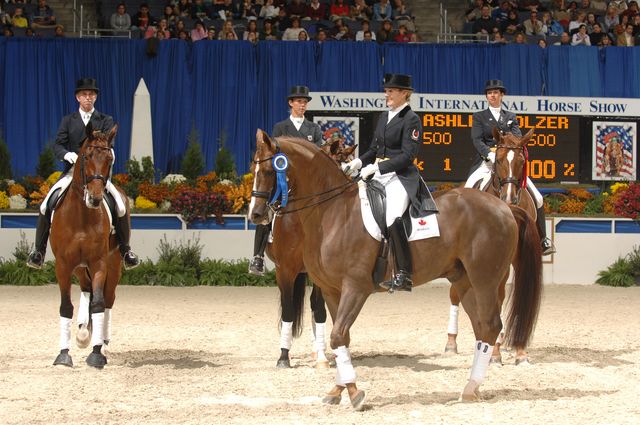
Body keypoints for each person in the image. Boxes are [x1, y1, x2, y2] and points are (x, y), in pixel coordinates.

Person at [27, 78, 140, 270]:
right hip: (72, 173)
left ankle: (125, 250)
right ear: (78, 97)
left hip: (96, 174)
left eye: (91, 94)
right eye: (84, 95)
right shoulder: (68, 121)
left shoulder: (105, 120)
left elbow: (108, 145)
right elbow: (58, 145)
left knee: (120, 206)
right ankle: (39, 251)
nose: (88, 98)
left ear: (95, 97)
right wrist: (67, 154)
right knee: (46, 203)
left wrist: (106, 156)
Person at [342, 74, 435, 292]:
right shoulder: (384, 117)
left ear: (405, 93)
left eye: (392, 91)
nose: (387, 94)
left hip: (401, 176)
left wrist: (378, 167)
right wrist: (357, 162)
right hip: (378, 174)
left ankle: (404, 273)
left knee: (393, 215)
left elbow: (407, 156)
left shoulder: (411, 119)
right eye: (386, 90)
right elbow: (375, 149)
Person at [464, 79, 556, 255]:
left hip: (508, 161)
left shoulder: (510, 116)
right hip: (487, 162)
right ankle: (467, 233)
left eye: (496, 93)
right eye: (490, 93)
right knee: (468, 189)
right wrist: (490, 154)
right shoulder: (479, 116)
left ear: (502, 95)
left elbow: (518, 137)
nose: (493, 95)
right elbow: (477, 140)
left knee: (538, 198)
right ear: (486, 96)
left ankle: (543, 239)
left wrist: (507, 146)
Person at [249, 86, 323, 275]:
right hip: (284, 179)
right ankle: (257, 256)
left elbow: (317, 156)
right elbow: (275, 156)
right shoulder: (280, 127)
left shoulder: (313, 129)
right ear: (291, 103)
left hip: (307, 182)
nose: (302, 105)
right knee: (268, 210)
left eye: (305, 102)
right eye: (299, 101)